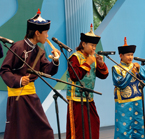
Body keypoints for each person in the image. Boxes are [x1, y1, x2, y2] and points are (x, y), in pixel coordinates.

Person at [0, 9, 61, 139]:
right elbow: (4, 70)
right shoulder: (17, 47)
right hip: (18, 98)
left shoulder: (39, 51)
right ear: (37, 33)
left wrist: (55, 61)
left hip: (31, 97)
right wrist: (20, 80)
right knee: (20, 133)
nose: (47, 36)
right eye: (46, 33)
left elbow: (47, 71)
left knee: (44, 131)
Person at [66, 24, 109, 139]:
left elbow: (104, 76)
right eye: (92, 45)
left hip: (88, 98)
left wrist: (100, 63)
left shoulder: (92, 58)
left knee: (93, 124)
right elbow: (74, 76)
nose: (94, 49)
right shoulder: (75, 57)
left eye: (95, 46)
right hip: (76, 99)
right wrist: (87, 63)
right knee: (79, 129)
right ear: (83, 44)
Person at [112, 37, 145, 139]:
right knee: (124, 128)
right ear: (121, 56)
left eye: (132, 55)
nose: (130, 57)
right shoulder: (116, 68)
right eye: (128, 55)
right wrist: (130, 74)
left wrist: (140, 69)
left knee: (138, 127)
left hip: (137, 99)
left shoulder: (135, 66)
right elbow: (120, 83)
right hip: (123, 102)